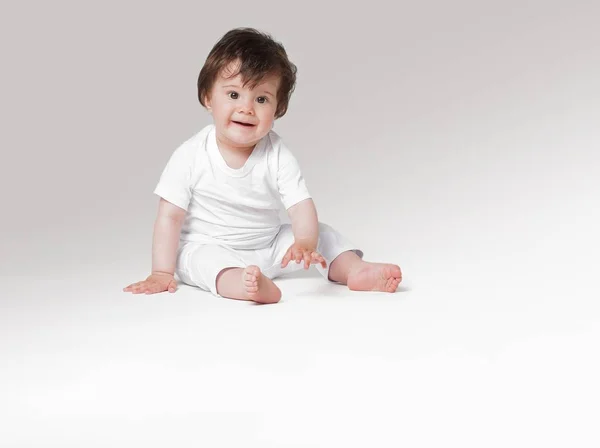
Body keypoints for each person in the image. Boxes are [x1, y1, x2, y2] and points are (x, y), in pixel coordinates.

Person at [123, 27, 402, 304]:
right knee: (198, 259)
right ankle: (248, 286)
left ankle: (355, 270)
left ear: (278, 109)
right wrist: (161, 271)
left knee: (323, 233)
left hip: (270, 247)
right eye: (233, 95)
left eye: (261, 99)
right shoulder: (190, 154)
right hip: (212, 245)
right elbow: (169, 217)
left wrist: (304, 242)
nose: (246, 108)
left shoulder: (277, 153)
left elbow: (300, 205)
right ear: (208, 98)